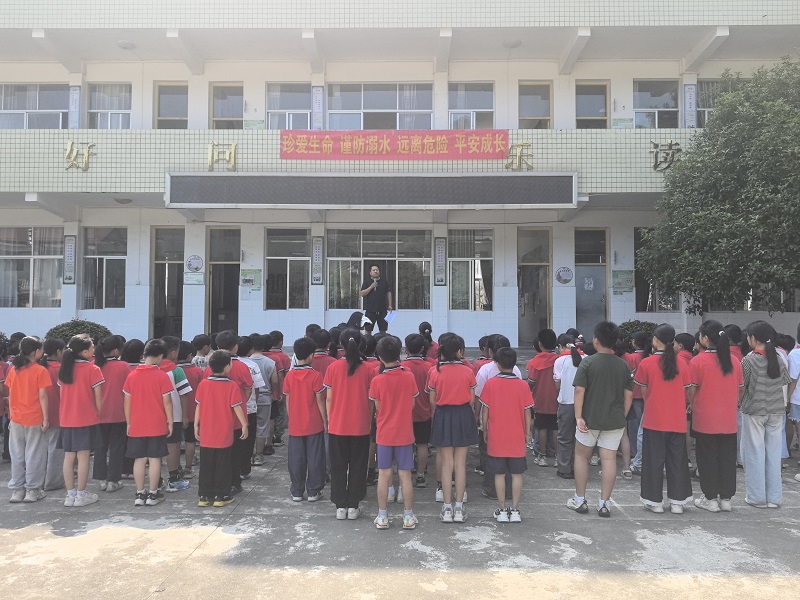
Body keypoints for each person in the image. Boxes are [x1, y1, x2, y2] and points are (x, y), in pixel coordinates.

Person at [567, 321, 633, 517]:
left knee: (582, 457)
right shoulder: (623, 365)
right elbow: (628, 395)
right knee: (609, 459)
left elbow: (579, 391)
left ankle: (580, 500)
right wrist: (622, 415)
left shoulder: (587, 362)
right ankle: (604, 503)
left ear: (596, 340)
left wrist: (578, 416)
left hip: (589, 419)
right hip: (614, 419)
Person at [633, 324, 693, 514]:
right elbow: (687, 391)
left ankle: (654, 501)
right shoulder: (682, 363)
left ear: (655, 340)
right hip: (677, 419)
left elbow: (644, 391)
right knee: (677, 461)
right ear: (672, 341)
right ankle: (677, 502)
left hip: (654, 419)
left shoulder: (647, 363)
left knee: (653, 461)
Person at [688, 320, 743, 512]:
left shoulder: (697, 361)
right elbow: (741, 389)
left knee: (707, 459)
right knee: (727, 459)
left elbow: (691, 391)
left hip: (705, 419)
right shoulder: (734, 361)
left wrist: (691, 404)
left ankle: (710, 498)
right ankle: (726, 499)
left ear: (704, 338)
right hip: (728, 420)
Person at [324, 328, 375, 520]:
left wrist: (330, 419)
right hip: (360, 425)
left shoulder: (333, 367)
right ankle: (353, 506)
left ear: (341, 344)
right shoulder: (368, 369)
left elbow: (329, 398)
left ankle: (340, 507)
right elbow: (371, 400)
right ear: (361, 343)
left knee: (338, 466)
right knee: (358, 465)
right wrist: (368, 418)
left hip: (337, 425)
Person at [427, 333, 478, 523]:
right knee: (460, 464)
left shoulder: (435, 371)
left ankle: (447, 508)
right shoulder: (467, 371)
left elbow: (432, 401)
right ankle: (459, 508)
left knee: (447, 464)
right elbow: (472, 400)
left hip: (443, 415)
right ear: (459, 351)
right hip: (463, 414)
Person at [370, 336, 418, 530]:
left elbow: (378, 407)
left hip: (384, 434)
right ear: (400, 354)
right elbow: (412, 403)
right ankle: (408, 516)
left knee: (384, 473)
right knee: (405, 474)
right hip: (405, 432)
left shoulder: (377, 380)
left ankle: (382, 516)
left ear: (380, 357)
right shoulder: (409, 376)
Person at [740, 320, 790, 508]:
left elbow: (742, 386)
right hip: (776, 411)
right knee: (773, 454)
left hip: (754, 411)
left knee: (754, 453)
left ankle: (756, 497)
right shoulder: (778, 358)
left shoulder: (749, 360)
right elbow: (784, 381)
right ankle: (774, 499)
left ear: (753, 338)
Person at [480, 347, 533, 523]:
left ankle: (502, 509)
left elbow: (485, 412)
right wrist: (527, 432)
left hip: (497, 435)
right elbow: (527, 412)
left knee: (499, 474)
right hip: (517, 435)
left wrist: (485, 430)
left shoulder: (491, 384)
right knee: (517, 474)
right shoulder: (523, 385)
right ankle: (515, 510)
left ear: (497, 363)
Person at [123, 339, 174, 507]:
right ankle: (153, 494)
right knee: (155, 459)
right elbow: (167, 402)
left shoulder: (132, 375)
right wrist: (170, 422)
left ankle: (139, 493)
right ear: (160, 356)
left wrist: (129, 422)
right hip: (157, 423)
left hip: (137, 423)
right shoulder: (162, 376)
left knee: (139, 459)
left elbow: (127, 402)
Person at [194, 350, 248, 508]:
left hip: (206, 431)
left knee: (206, 464)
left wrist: (196, 424)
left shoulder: (203, 384)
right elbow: (237, 407)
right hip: (224, 432)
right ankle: (221, 495)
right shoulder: (231, 385)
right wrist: (244, 424)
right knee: (223, 464)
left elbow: (198, 406)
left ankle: (204, 496)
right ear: (227, 366)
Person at [204, 330, 253, 495]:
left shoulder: (210, 367)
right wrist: (241, 403)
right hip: (237, 417)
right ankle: (234, 482)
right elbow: (248, 389)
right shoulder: (242, 366)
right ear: (236, 347)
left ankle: (216, 484)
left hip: (215, 417)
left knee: (217, 453)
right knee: (235, 452)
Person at [58, 334, 105, 507]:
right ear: (85, 352)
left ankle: (70, 495)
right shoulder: (93, 369)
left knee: (69, 456)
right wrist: (98, 414)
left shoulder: (64, 369)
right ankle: (81, 494)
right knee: (84, 457)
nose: (94, 349)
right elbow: (98, 398)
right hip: (86, 418)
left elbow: (62, 395)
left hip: (67, 418)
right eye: (92, 347)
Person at [6, 336, 51, 503]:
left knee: (17, 455)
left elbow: (11, 395)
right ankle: (32, 490)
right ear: (36, 351)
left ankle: (17, 490)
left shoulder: (14, 369)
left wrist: (11, 415)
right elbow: (43, 397)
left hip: (16, 418)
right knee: (34, 455)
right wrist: (46, 419)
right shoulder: (40, 370)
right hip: (34, 417)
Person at [283, 337, 327, 503]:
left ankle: (297, 490)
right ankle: (314, 491)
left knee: (296, 458)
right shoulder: (316, 376)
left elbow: (287, 400)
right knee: (315, 457)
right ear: (311, 355)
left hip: (296, 422)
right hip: (314, 422)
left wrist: (291, 418)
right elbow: (320, 400)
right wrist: (325, 421)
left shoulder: (289, 376)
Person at [93, 336, 132, 493]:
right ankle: (113, 480)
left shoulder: (95, 365)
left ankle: (101, 479)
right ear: (116, 350)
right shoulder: (124, 367)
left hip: (98, 413)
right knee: (117, 447)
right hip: (118, 413)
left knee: (100, 447)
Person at [159, 336, 192, 493]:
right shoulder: (176, 371)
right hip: (174, 415)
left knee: (155, 449)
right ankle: (173, 479)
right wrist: (185, 416)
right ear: (173, 353)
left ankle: (157, 480)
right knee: (173, 446)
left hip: (152, 416)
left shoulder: (149, 369)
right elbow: (184, 395)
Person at [401, 333, 433, 488]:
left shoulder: (402, 367)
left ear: (406, 349)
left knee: (406, 444)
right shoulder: (430, 368)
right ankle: (421, 476)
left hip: (405, 413)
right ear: (422, 349)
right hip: (424, 412)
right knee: (422, 444)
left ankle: (406, 474)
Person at [527, 329, 559, 467]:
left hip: (539, 399)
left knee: (542, 428)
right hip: (557, 399)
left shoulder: (534, 362)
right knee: (556, 428)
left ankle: (542, 456)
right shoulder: (559, 359)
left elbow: (531, 382)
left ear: (540, 344)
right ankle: (558, 457)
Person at [553, 333, 583, 479]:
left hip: (566, 403)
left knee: (565, 438)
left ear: (561, 346)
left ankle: (564, 469)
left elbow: (557, 384)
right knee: (581, 438)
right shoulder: (586, 358)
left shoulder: (560, 361)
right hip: (583, 403)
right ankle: (580, 467)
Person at [248, 334, 278, 466]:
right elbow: (275, 381)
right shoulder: (270, 362)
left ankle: (248, 454)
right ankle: (259, 455)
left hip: (249, 398)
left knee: (248, 427)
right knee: (262, 427)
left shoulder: (246, 362)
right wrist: (273, 393)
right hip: (265, 397)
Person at [39, 338, 65, 492]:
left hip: (39, 414)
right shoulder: (61, 369)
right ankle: (53, 481)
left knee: (39, 449)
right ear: (58, 352)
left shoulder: (40, 368)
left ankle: (38, 479)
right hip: (57, 414)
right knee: (55, 449)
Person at [625, 331, 650, 476]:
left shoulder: (632, 357)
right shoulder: (649, 356)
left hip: (634, 395)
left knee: (635, 428)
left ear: (635, 342)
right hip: (647, 396)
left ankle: (636, 454)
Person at [177, 341, 202, 478]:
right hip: (193, 411)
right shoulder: (197, 371)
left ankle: (176, 468)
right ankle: (188, 468)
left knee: (174, 442)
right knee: (190, 441)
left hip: (175, 412)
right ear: (190, 355)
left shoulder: (173, 371)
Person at [360, 265, 392, 333]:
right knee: (368, 330)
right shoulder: (366, 282)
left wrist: (390, 305)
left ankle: (382, 340)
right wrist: (371, 287)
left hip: (382, 310)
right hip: (370, 310)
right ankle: (368, 340)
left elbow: (388, 293)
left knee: (383, 330)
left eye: (377, 270)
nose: (375, 271)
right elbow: (362, 294)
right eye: (373, 270)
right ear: (370, 272)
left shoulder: (384, 282)